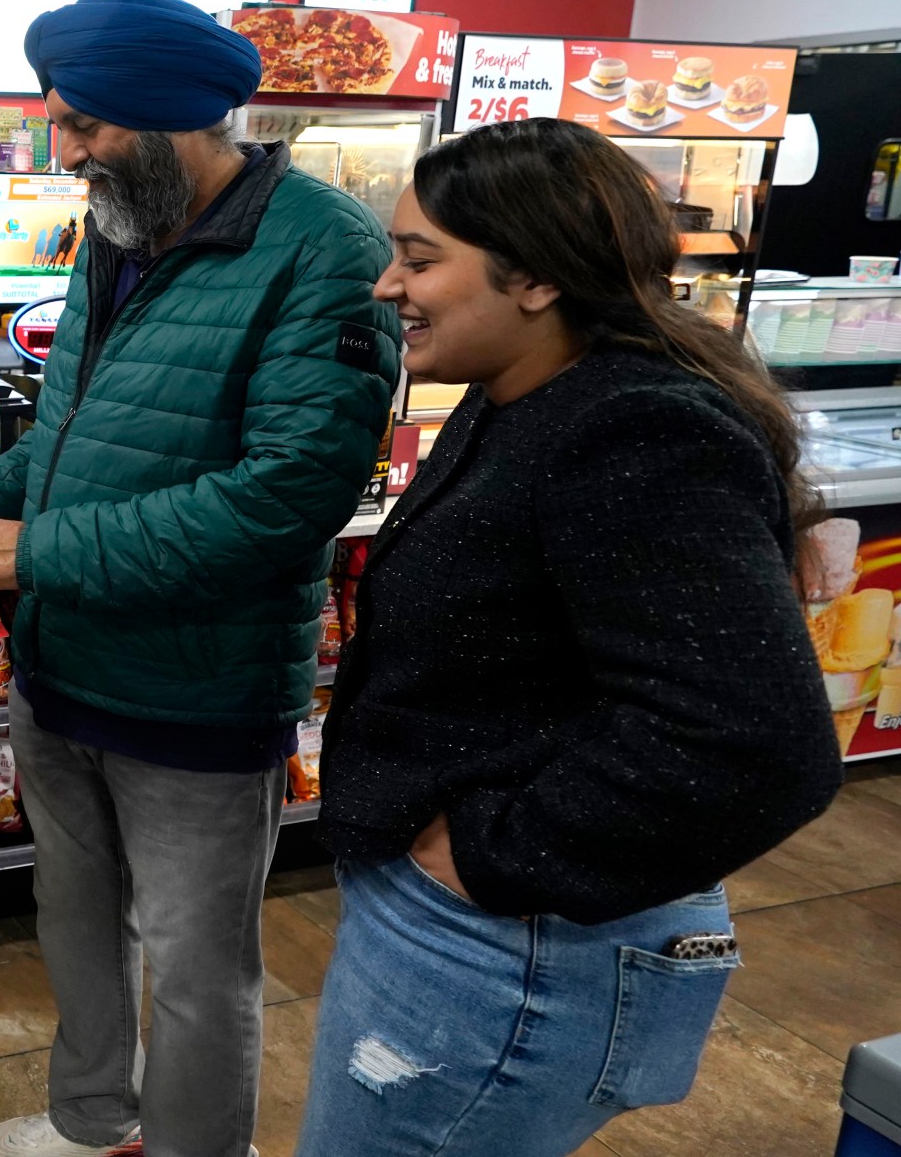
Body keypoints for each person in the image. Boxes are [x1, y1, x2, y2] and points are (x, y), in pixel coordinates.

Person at [299, 117, 842, 1156]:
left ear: (536, 277)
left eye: (419, 259)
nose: (385, 285)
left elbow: (753, 745)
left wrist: (484, 858)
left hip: (509, 949)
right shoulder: (523, 393)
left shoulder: (628, 427)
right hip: (471, 931)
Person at [0, 0, 401, 1157]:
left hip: (197, 692)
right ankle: (94, 1129)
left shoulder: (327, 252)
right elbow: (71, 434)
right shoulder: (116, 233)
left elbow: (287, 497)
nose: (67, 149)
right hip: (63, 670)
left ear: (179, 118)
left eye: (86, 125)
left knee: (197, 970)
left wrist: (39, 551)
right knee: (75, 925)